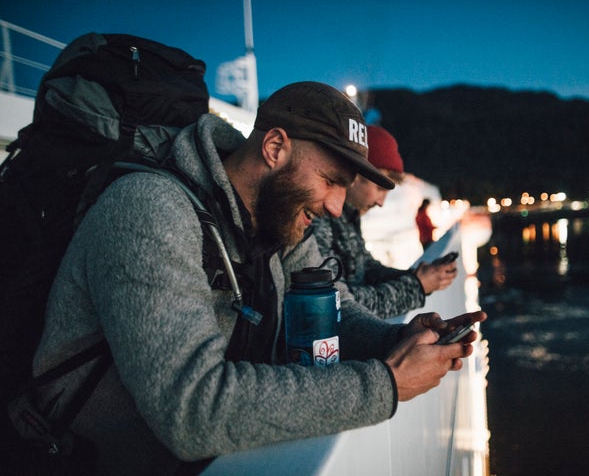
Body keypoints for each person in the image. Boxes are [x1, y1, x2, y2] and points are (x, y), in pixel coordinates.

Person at [30, 81, 485, 474]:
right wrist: (384, 383)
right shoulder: (149, 211)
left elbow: (336, 308)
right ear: (274, 148)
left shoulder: (279, 219)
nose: (334, 206)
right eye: (331, 179)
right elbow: (192, 410)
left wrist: (396, 339)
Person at [312, 125, 458, 319]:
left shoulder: (348, 217)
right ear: (354, 174)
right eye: (380, 188)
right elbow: (339, 306)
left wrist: (416, 276)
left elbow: (366, 267)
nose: (381, 202)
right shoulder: (317, 219)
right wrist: (417, 286)